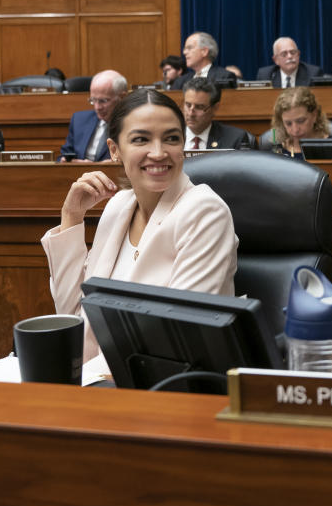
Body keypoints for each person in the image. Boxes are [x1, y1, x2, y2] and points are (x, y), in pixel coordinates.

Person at [41, 89, 238, 363]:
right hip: (100, 378)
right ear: (114, 150)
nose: (158, 153)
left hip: (168, 387)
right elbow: (74, 315)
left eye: (171, 138)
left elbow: (179, 333)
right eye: (141, 140)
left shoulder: (205, 211)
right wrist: (72, 216)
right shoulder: (118, 206)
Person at [58, 70, 128, 162]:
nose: (97, 107)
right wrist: (67, 161)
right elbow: (63, 156)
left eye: (103, 101)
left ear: (122, 97)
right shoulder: (79, 120)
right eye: (93, 100)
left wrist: (116, 163)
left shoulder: (131, 124)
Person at [182, 76, 251, 150]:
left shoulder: (235, 139)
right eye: (188, 105)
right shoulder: (170, 136)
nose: (191, 114)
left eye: (199, 107)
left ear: (215, 108)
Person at [262, 86, 330, 159]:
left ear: (314, 115)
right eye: (288, 123)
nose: (295, 130)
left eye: (301, 121)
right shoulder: (275, 150)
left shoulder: (331, 148)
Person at [255, 37, 322, 87]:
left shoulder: (313, 74)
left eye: (293, 52)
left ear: (298, 54)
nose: (289, 56)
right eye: (284, 54)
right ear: (276, 60)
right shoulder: (265, 75)